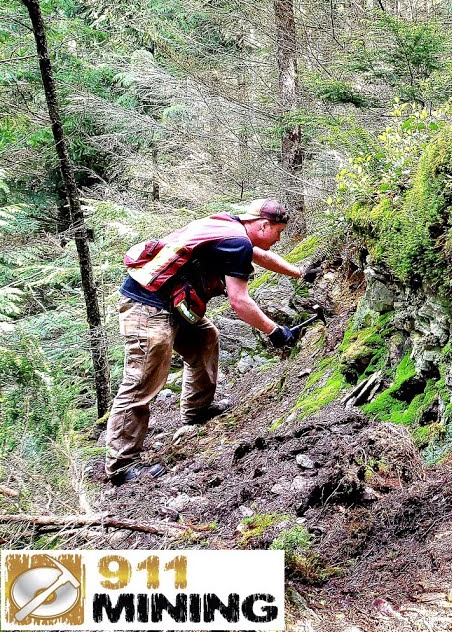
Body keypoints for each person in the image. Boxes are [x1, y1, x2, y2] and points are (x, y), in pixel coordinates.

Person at [103, 199, 319, 485]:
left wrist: (299, 273)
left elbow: (257, 255)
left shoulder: (231, 229)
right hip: (148, 307)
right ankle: (121, 466)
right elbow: (239, 301)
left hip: (173, 303)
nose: (279, 239)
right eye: (278, 232)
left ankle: (197, 411)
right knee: (142, 379)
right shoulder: (236, 241)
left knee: (205, 338)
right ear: (263, 225)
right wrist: (275, 331)